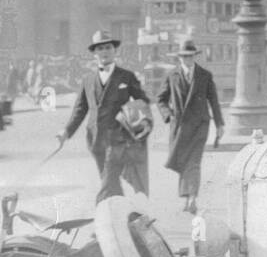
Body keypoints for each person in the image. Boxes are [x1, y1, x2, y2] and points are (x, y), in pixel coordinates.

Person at [57, 30, 151, 203]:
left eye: (108, 47)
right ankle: (126, 218)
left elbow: (143, 101)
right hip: (95, 141)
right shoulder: (88, 79)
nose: (104, 52)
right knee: (111, 184)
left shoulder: (126, 77)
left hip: (119, 141)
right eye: (100, 48)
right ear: (94, 53)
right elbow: (80, 110)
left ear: (114, 50)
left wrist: (132, 115)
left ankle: (100, 219)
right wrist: (66, 131)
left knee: (106, 185)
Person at [156, 39, 224, 214]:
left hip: (200, 125)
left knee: (193, 162)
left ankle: (192, 197)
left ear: (195, 56)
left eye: (190, 56)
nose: (187, 59)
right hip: (179, 126)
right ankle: (187, 198)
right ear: (179, 58)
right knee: (183, 161)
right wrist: (168, 115)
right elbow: (161, 99)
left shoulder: (205, 75)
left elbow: (214, 101)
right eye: (184, 56)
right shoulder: (172, 76)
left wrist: (219, 124)